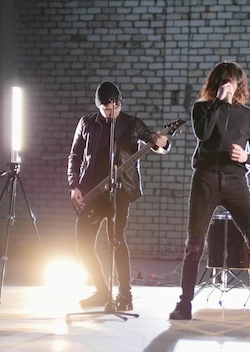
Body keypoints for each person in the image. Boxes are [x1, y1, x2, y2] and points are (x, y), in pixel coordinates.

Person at [168, 61, 250, 324]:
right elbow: (203, 133)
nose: (227, 86)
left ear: (239, 84)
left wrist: (245, 156)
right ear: (215, 85)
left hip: (235, 182)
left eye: (231, 82)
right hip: (206, 180)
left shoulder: (249, 116)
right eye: (222, 82)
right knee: (195, 245)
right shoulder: (202, 108)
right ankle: (184, 303)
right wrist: (219, 102)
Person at [68, 81, 170, 311]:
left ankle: (125, 295)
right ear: (98, 107)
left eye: (114, 108)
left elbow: (154, 143)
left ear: (119, 103)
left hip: (119, 192)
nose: (111, 113)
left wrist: (163, 144)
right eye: (105, 110)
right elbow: (74, 155)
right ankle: (102, 291)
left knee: (116, 241)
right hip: (91, 191)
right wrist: (74, 186)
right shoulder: (87, 124)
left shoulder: (132, 124)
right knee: (83, 245)